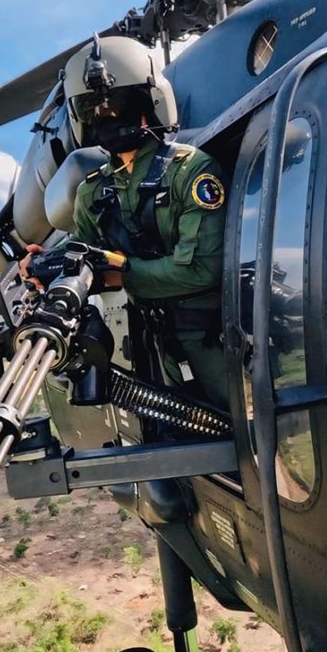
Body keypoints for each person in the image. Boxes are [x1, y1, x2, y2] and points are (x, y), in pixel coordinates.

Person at [24, 35, 229, 408]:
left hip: (208, 336)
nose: (108, 116)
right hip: (148, 337)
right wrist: (48, 270)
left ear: (149, 104)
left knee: (233, 425)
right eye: (92, 109)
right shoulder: (91, 192)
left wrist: (125, 270)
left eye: (119, 103)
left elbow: (202, 270)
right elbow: (89, 261)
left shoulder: (191, 171)